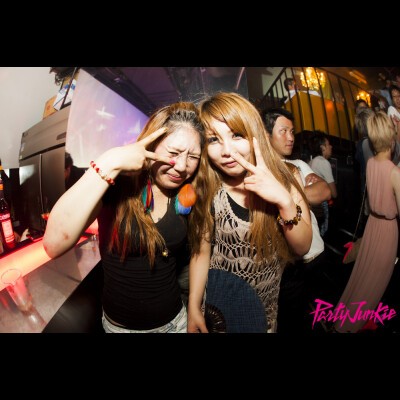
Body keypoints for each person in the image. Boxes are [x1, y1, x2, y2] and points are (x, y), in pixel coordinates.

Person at [43, 102, 205, 333]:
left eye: (193, 156)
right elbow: (53, 244)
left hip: (175, 322)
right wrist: (110, 161)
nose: (181, 166)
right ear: (151, 145)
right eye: (173, 153)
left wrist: (194, 308)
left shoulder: (187, 192)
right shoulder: (117, 185)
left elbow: (200, 250)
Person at [187, 92, 312, 333]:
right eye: (213, 139)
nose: (227, 151)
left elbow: (302, 247)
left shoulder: (288, 177)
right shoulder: (208, 188)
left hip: (262, 315)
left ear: (255, 133)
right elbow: (201, 252)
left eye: (236, 135)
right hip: (217, 311)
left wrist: (284, 202)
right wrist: (193, 305)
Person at [264, 108, 331, 333]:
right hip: (288, 266)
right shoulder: (263, 172)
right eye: (283, 131)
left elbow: (324, 190)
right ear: (266, 135)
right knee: (292, 321)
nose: (290, 137)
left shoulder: (300, 165)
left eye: (292, 131)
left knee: (320, 315)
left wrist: (286, 198)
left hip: (316, 255)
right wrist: (300, 194)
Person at [334, 110, 400, 333]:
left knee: (363, 273)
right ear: (392, 137)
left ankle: (343, 318)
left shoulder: (371, 163)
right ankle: (354, 325)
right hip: (387, 229)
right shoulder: (394, 172)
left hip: (372, 224)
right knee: (376, 281)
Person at [309, 131, 337, 237]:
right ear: (322, 148)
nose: (331, 146)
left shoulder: (310, 162)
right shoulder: (323, 162)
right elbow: (334, 193)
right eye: (328, 144)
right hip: (320, 207)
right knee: (322, 235)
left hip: (311, 206)